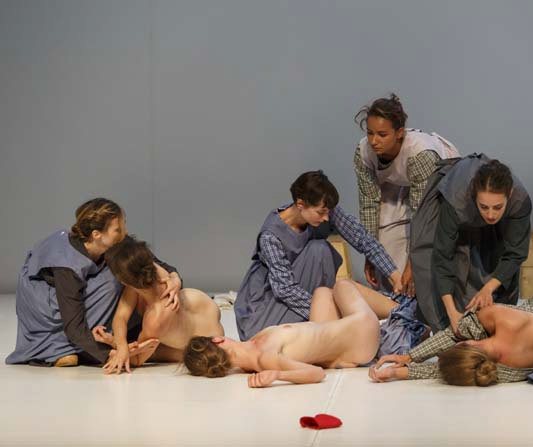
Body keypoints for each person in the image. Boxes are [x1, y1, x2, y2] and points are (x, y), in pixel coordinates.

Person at [6, 198, 181, 367]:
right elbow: (74, 326)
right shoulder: (67, 266)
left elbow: (146, 261)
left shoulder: (110, 241)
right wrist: (110, 354)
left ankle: (117, 335)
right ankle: (61, 349)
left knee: (127, 264)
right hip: (48, 307)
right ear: (97, 235)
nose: (125, 232)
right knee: (115, 279)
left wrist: (174, 278)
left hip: (74, 293)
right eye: (118, 229)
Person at [234, 170, 402, 341]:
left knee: (319, 249)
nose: (326, 218)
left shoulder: (324, 210)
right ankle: (326, 321)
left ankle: (397, 311)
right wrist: (325, 310)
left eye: (327, 212)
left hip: (303, 290)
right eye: (321, 213)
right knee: (318, 250)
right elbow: (284, 289)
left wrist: (394, 275)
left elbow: (362, 237)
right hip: (267, 302)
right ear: (300, 204)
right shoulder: (271, 236)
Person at [368, 292, 533, 386]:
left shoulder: (505, 371)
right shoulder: (496, 316)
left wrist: (401, 370)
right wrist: (408, 357)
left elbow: (442, 370)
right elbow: (454, 332)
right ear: (468, 344)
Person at [186, 280, 389, 387]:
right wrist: (278, 375)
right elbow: (317, 374)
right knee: (342, 285)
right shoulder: (265, 358)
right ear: (217, 340)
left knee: (322, 292)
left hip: (342, 340)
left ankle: (338, 356)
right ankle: (399, 308)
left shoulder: (249, 351)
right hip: (362, 332)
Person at [410, 154, 532, 332]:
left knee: (497, 275)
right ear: (475, 197)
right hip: (457, 204)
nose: (491, 215)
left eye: (498, 207)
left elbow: (516, 252)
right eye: (484, 207)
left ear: (510, 194)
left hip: (495, 222)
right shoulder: (457, 199)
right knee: (430, 262)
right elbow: (443, 256)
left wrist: (488, 288)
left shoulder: (520, 200)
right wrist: (451, 312)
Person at [354, 94, 459, 293]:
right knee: (385, 238)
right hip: (399, 179)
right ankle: (391, 298)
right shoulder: (364, 152)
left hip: (441, 179)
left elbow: (422, 215)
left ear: (399, 133)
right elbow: (368, 204)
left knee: (424, 254)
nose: (374, 141)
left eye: (382, 134)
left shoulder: (421, 154)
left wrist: (413, 264)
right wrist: (369, 255)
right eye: (370, 133)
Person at [97, 236, 224, 374]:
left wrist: (114, 344)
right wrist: (122, 345)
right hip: (206, 310)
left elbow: (137, 359)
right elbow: (121, 317)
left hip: (206, 347)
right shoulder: (157, 271)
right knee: (157, 337)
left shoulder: (154, 320)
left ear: (123, 281)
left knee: (155, 349)